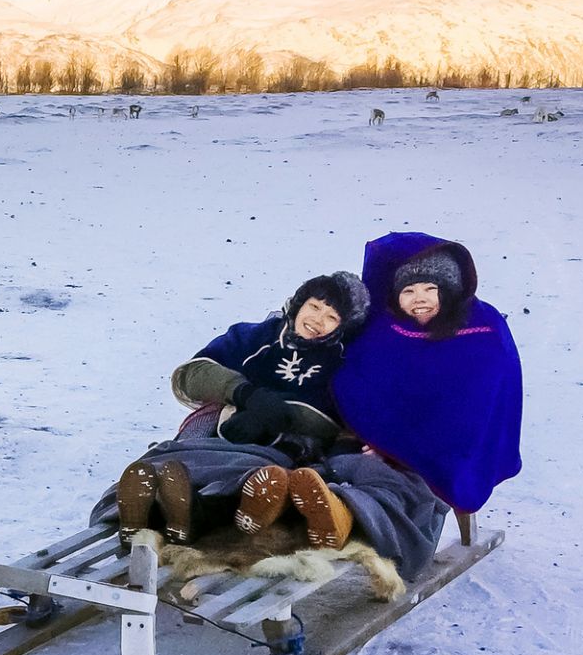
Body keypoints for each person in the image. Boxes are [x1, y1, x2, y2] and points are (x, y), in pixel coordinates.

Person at [282, 233, 524, 578]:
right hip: (374, 443)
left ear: (450, 290)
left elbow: (473, 411)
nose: (419, 301)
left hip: (449, 451)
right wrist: (373, 435)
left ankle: (347, 521)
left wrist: (397, 451)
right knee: (341, 466)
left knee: (400, 488)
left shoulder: (482, 331)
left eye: (430, 290)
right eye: (408, 292)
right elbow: (359, 378)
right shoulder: (388, 329)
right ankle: (312, 514)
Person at [114, 270, 369, 543]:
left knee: (258, 476)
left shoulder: (341, 363)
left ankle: (190, 513)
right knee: (177, 458)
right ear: (299, 304)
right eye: (314, 307)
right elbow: (194, 373)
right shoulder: (255, 336)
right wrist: (245, 395)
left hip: (282, 445)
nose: (317, 320)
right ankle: (145, 505)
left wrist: (279, 416)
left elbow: (339, 419)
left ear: (343, 327)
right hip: (225, 425)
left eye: (331, 317)